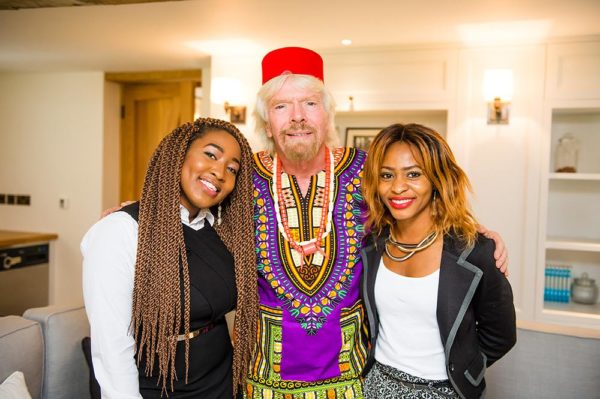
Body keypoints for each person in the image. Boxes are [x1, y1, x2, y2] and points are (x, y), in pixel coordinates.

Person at [244, 48, 509, 399]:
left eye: (309, 103)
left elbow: (420, 196)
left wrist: (478, 232)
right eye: (281, 106)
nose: (297, 117)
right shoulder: (242, 177)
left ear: (327, 114)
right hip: (265, 375)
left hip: (356, 377)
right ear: (266, 122)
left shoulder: (368, 170)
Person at [81, 118, 258, 398]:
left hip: (221, 380)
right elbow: (112, 346)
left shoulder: (220, 233)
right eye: (210, 154)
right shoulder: (120, 232)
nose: (220, 172)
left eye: (232, 169)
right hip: (160, 387)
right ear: (179, 153)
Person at [360, 123, 516, 399]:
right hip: (375, 385)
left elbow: (500, 335)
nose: (397, 187)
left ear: (437, 179)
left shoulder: (475, 251)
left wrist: (463, 370)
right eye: (387, 175)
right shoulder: (371, 244)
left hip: (444, 390)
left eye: (414, 174)